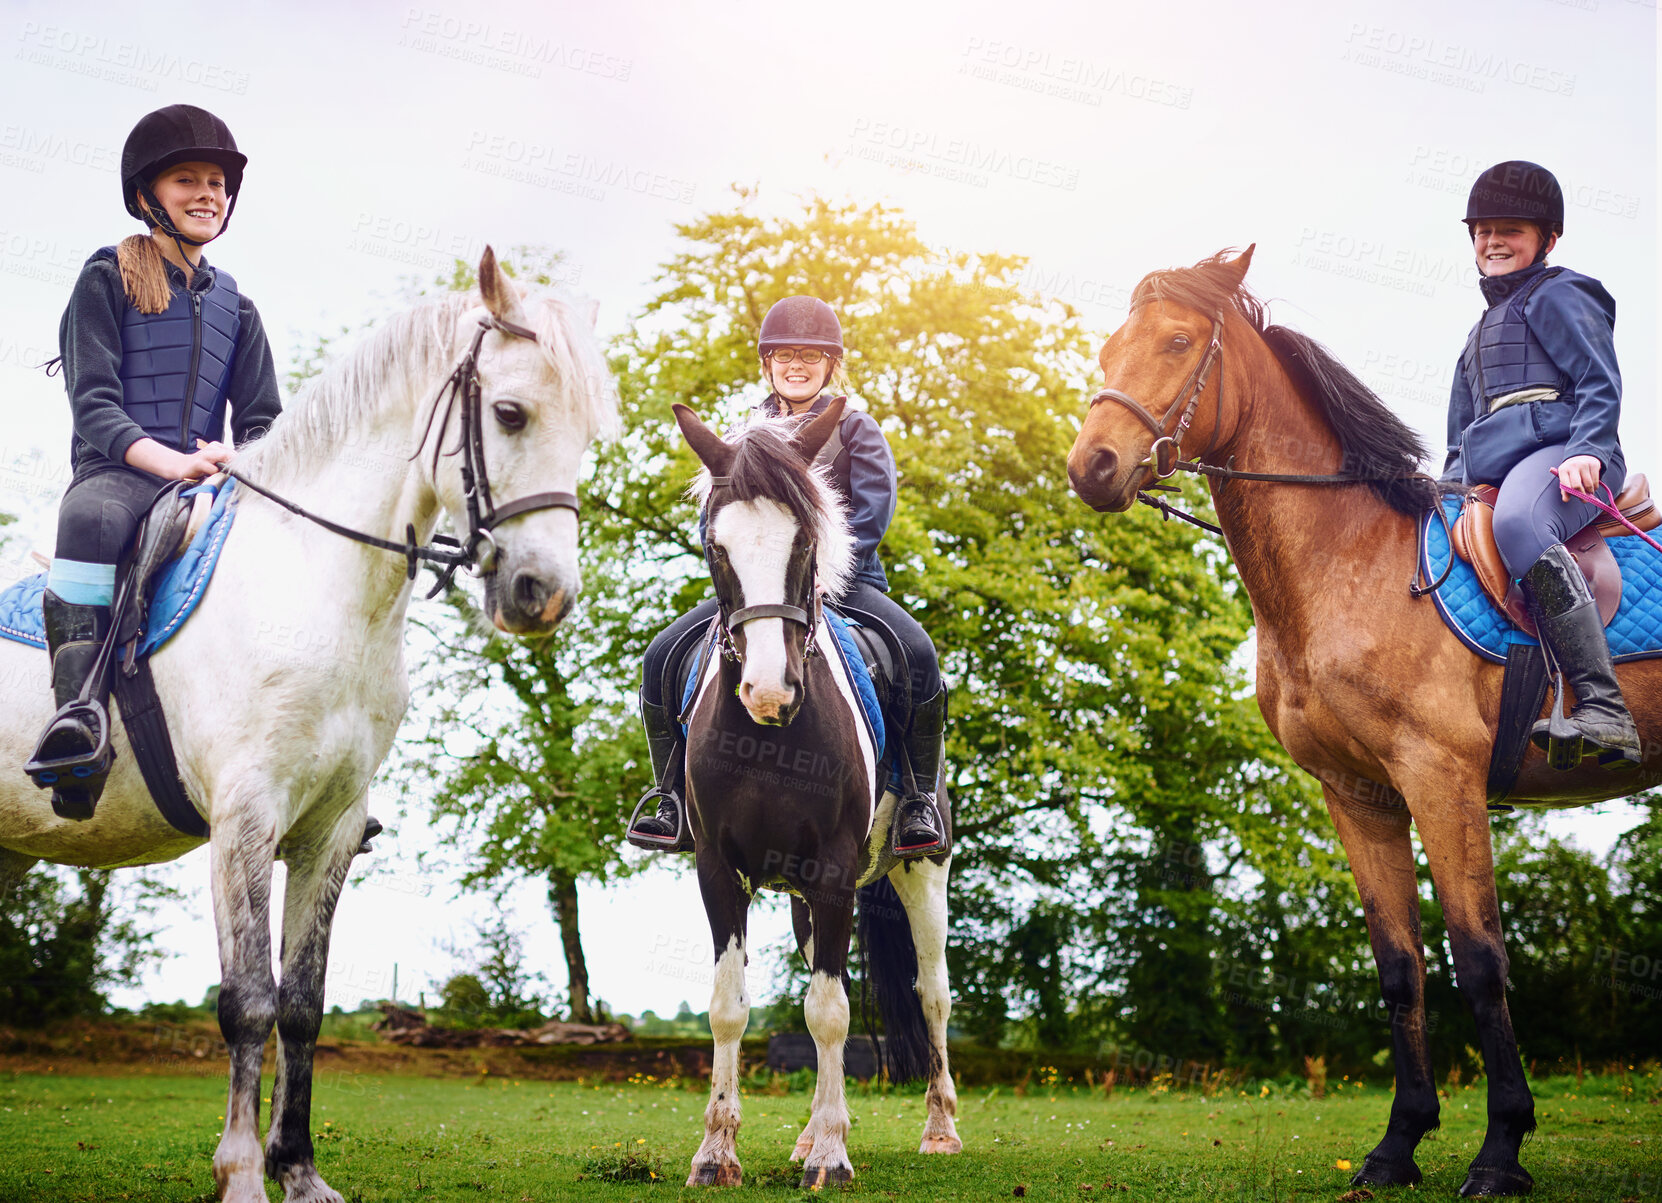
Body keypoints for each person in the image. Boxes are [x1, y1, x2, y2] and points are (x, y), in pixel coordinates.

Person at [30, 105, 381, 854]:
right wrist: (171, 460)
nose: (206, 194)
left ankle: (317, 767)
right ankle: (76, 722)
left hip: (209, 482)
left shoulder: (238, 307)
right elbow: (93, 404)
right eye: (187, 179)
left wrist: (241, 464)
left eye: (217, 183)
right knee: (87, 523)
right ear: (148, 193)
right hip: (119, 475)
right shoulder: (105, 276)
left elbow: (262, 423)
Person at [626, 296, 949, 857]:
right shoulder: (744, 434)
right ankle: (670, 795)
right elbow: (715, 512)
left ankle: (918, 799)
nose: (795, 365)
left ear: (831, 364)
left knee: (918, 655)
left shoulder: (855, 429)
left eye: (809, 355)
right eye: (783, 355)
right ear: (767, 363)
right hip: (758, 594)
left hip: (847, 585)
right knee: (659, 656)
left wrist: (822, 572)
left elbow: (873, 511)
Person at [1443, 160, 1639, 769]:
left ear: (1546, 240)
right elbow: (1458, 436)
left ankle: (1607, 708)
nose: (1494, 241)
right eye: (1484, 232)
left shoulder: (1560, 292)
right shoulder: (1476, 337)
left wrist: (1587, 449)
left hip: (1567, 457)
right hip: (1495, 467)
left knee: (1519, 523)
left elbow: (1598, 381)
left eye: (1512, 230)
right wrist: (1447, 492)